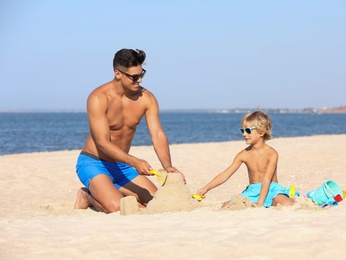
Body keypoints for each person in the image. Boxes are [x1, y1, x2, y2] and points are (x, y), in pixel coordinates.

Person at [74, 48, 184, 213]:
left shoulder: (146, 98)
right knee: (118, 208)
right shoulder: (98, 98)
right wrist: (135, 162)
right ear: (118, 73)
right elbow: (102, 142)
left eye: (142, 74)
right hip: (94, 163)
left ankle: (111, 191)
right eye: (134, 77)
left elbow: (157, 134)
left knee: (158, 203)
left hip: (122, 166)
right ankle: (86, 196)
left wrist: (167, 166)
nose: (139, 80)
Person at [197, 110, 295, 208]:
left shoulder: (271, 154)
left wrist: (260, 203)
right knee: (226, 207)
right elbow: (226, 174)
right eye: (242, 130)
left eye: (248, 130)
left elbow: (267, 179)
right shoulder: (243, 155)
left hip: (271, 188)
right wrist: (206, 188)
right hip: (252, 191)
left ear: (262, 132)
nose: (244, 134)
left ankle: (290, 193)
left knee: (287, 204)